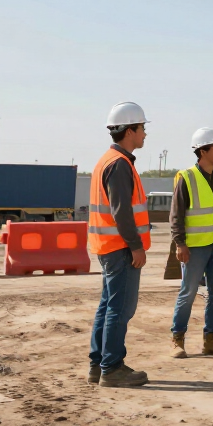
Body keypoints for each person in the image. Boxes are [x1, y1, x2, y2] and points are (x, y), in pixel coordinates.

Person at [88, 102, 153, 388]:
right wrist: (136, 246)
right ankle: (112, 368)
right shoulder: (119, 165)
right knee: (120, 309)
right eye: (142, 128)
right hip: (120, 248)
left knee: (107, 306)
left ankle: (98, 364)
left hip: (108, 245)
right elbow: (122, 212)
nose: (145, 134)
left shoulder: (108, 160)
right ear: (130, 131)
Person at [169, 127, 213, 359]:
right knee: (188, 292)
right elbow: (176, 215)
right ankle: (177, 339)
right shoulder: (186, 177)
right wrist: (180, 243)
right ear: (203, 151)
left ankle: (211, 339)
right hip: (195, 246)